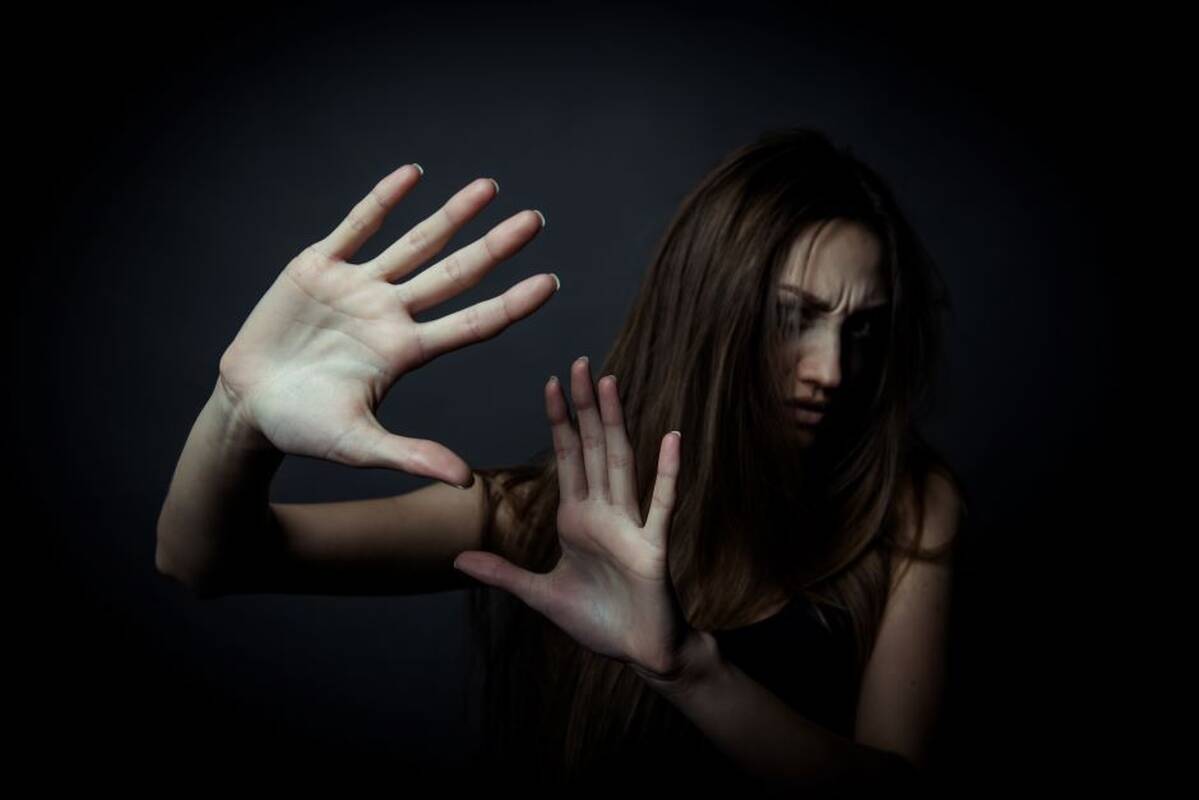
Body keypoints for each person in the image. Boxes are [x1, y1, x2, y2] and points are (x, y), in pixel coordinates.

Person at [156, 127, 969, 795]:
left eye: (862, 329)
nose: (831, 370)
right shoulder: (549, 519)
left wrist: (689, 672)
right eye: (793, 318)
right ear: (710, 312)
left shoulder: (902, 507)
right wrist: (238, 411)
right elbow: (202, 557)